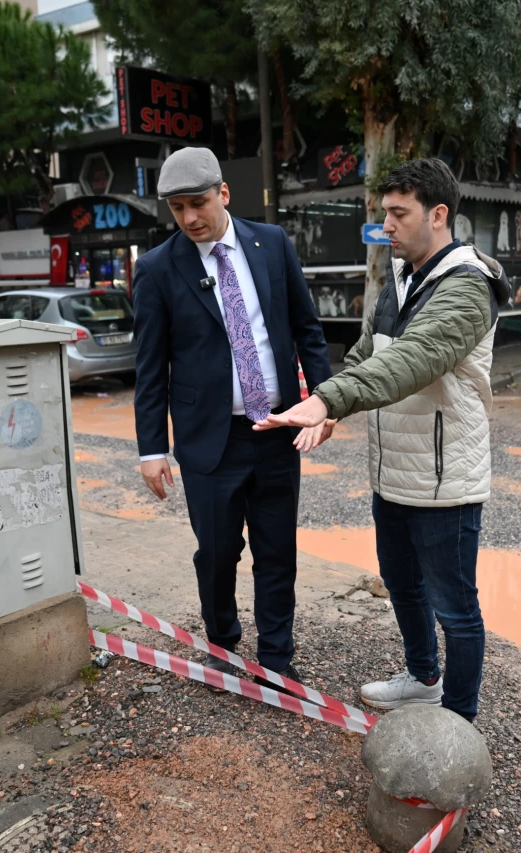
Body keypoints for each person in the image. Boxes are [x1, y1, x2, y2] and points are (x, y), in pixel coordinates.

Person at [256, 158, 511, 722]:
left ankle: (458, 723)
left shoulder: (468, 286)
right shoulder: (397, 277)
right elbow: (368, 355)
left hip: (446, 480)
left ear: (438, 215)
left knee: (456, 608)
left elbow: (416, 360)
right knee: (401, 583)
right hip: (393, 471)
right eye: (384, 213)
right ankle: (423, 678)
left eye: (398, 214)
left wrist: (327, 401)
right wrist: (329, 407)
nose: (386, 226)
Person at [132, 147, 332, 684]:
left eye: (198, 203)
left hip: (277, 432)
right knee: (217, 554)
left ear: (223, 193)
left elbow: (308, 331)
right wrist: (151, 449)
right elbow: (150, 368)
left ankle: (276, 660)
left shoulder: (273, 245)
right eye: (177, 209)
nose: (190, 217)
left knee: (277, 552)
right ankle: (222, 643)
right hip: (208, 442)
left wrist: (325, 402)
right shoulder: (156, 270)